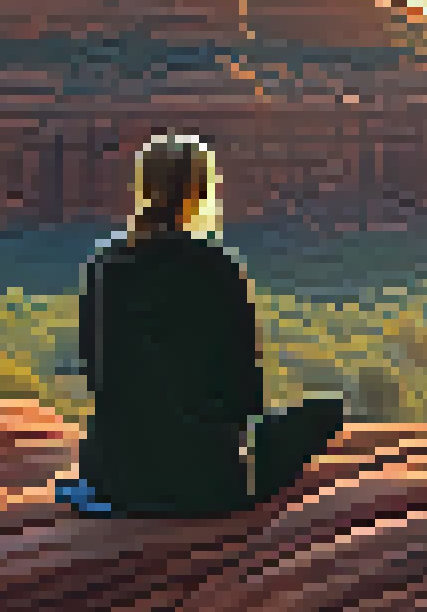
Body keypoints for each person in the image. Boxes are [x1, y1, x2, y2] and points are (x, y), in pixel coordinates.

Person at [56, 133, 344, 518]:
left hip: (116, 479)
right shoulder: (217, 268)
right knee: (327, 412)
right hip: (206, 484)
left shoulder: (105, 268)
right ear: (199, 192)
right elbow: (247, 396)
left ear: (144, 188)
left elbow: (96, 378)